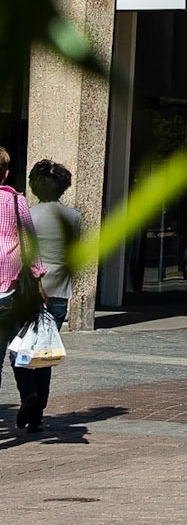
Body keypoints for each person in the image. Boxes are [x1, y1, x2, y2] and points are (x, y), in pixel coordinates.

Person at [12, 159, 79, 434]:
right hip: (59, 293)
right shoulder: (73, 217)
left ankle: (28, 394)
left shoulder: (26, 215)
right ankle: (37, 416)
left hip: (27, 291)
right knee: (44, 354)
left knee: (19, 350)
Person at [0, 147, 45, 422]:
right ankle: (28, 392)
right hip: (12, 289)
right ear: (5, 174)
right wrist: (39, 277)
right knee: (18, 346)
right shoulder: (17, 202)